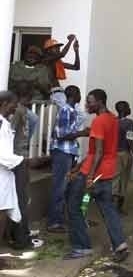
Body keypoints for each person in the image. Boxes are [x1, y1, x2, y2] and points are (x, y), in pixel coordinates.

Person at [65, 89, 127, 261]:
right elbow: (95, 151)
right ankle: (120, 244)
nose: (87, 104)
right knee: (108, 209)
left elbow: (98, 153)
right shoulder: (113, 119)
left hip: (94, 172)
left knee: (73, 206)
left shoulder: (99, 121)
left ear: (99, 102)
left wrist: (90, 176)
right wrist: (78, 167)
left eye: (90, 101)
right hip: (107, 171)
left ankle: (81, 247)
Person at [48, 85, 84, 233]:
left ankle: (61, 219)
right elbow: (61, 135)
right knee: (60, 187)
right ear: (73, 95)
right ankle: (54, 222)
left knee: (66, 187)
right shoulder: (66, 110)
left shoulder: (72, 111)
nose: (81, 96)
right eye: (79, 93)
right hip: (62, 152)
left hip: (69, 152)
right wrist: (82, 133)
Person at [8, 83, 36, 249]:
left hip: (16, 159)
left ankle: (21, 237)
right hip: (22, 158)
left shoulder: (17, 111)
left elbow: (8, 133)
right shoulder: (26, 112)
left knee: (18, 199)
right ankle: (21, 235)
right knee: (21, 198)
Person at [0, 91, 25, 243]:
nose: (15, 109)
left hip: (5, 175)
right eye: (13, 105)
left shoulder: (5, 123)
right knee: (1, 213)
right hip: (1, 175)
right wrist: (23, 161)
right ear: (4, 104)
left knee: (3, 211)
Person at [113, 101, 133, 213]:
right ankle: (119, 208)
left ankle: (110, 206)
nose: (130, 108)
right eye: (128, 106)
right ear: (124, 109)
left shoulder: (113, 121)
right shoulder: (129, 122)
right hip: (124, 154)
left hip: (113, 154)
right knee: (123, 182)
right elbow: (129, 139)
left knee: (114, 181)